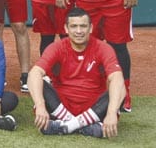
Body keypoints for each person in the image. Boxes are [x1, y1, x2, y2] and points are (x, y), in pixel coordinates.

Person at [28, 8, 126, 138]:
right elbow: (35, 73)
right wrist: (40, 106)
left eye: (83, 26)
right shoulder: (57, 47)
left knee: (121, 87)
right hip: (61, 106)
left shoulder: (103, 48)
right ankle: (85, 126)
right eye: (74, 26)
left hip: (93, 107)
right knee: (37, 79)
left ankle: (67, 126)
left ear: (90, 28)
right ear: (66, 28)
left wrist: (112, 112)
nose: (79, 31)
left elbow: (117, 78)